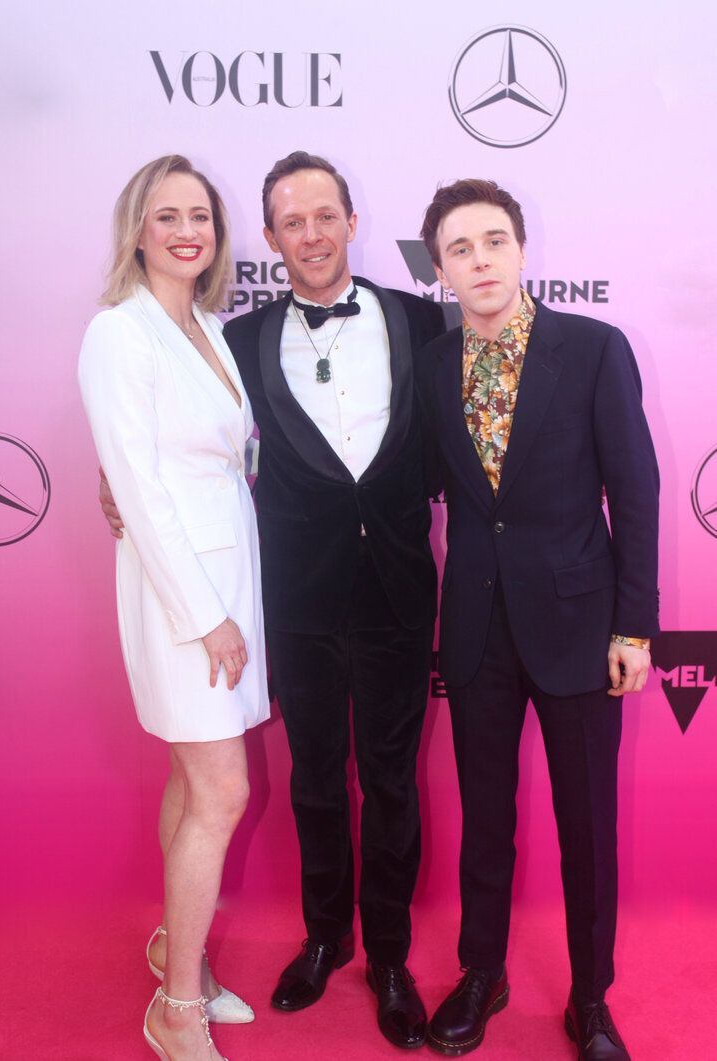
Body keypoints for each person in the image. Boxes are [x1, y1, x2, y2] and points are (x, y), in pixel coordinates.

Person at [101, 150, 446, 1049]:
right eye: (292, 222)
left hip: (401, 596)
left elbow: (458, 452)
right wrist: (115, 487)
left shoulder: (418, 320)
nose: (312, 235)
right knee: (316, 784)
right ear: (268, 238)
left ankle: (393, 957)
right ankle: (324, 937)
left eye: (325, 216)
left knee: (394, 783)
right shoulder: (238, 338)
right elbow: (159, 441)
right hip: (290, 599)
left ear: (351, 220)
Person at [416, 179, 659, 1059]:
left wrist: (634, 628)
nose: (479, 260)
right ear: (439, 269)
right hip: (477, 628)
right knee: (486, 819)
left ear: (522, 250)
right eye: (459, 248)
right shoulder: (433, 366)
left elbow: (634, 490)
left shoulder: (592, 348)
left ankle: (591, 998)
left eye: (493, 241)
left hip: (580, 624)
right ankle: (482, 972)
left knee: (587, 826)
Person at [79, 155, 270, 1061]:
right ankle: (177, 1009)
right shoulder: (119, 332)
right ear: (138, 230)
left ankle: (172, 948)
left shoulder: (207, 326)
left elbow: (221, 462)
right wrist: (204, 615)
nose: (186, 229)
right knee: (223, 788)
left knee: (194, 783)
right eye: (167, 216)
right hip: (180, 595)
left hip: (231, 582)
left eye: (200, 214)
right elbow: (141, 488)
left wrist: (230, 607)